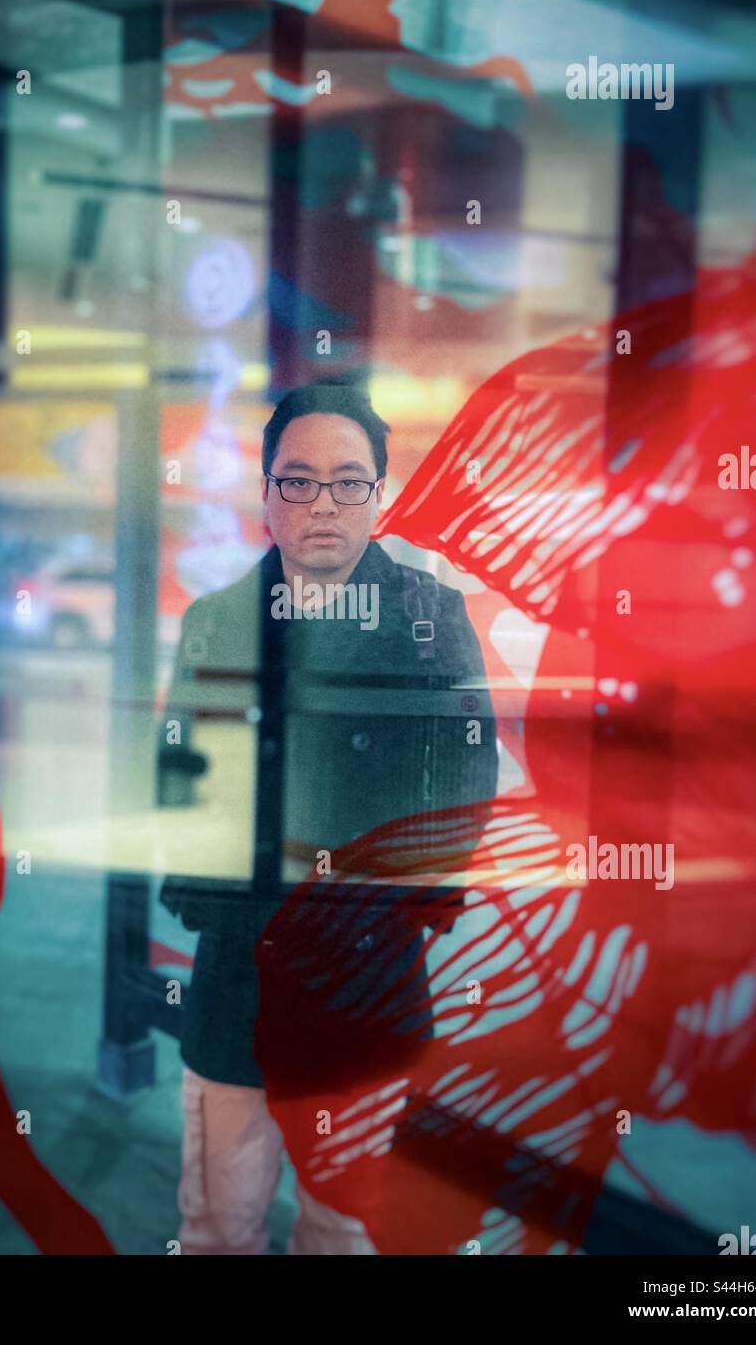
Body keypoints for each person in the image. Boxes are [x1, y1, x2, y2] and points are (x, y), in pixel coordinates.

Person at [158, 382, 498, 1253]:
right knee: (216, 1224)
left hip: (367, 978)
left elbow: (463, 778)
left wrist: (406, 911)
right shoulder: (216, 621)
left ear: (378, 496)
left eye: (350, 482)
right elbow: (175, 780)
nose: (323, 504)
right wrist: (224, 911)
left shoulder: (429, 616)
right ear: (267, 494)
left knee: (343, 1227)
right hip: (240, 975)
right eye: (298, 480)